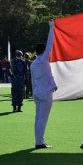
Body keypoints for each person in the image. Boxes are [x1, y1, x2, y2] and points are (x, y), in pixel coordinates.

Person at [31, 21, 57, 149]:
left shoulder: (33, 63)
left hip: (37, 92)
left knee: (38, 118)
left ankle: (38, 140)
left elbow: (33, 80)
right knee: (42, 119)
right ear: (43, 51)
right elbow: (50, 44)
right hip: (45, 92)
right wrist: (52, 27)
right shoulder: (43, 60)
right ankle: (39, 142)